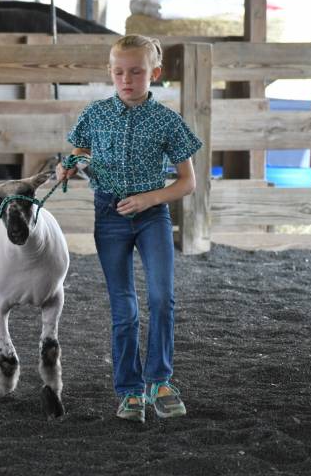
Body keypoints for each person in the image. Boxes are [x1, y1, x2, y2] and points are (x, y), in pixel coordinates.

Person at [56, 34, 202, 423]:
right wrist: (67, 166)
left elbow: (188, 183)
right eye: (119, 72)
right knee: (124, 308)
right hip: (109, 216)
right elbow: (77, 154)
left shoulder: (168, 120)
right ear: (110, 72)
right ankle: (129, 391)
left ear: (154, 73)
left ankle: (160, 381)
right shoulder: (95, 114)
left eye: (136, 72)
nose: (126, 79)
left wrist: (150, 199)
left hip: (152, 215)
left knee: (161, 297)